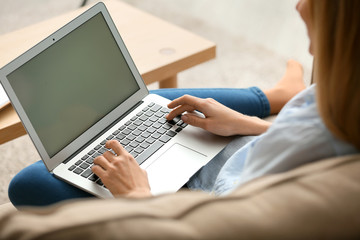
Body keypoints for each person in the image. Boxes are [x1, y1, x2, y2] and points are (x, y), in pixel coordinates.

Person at [8, 0, 360, 206]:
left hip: (199, 190)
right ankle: (271, 98)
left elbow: (215, 226)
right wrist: (248, 123)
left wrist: (137, 194)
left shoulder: (318, 149)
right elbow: (312, 135)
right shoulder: (346, 100)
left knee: (28, 183)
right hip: (241, 149)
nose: (299, 7)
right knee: (156, 103)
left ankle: (269, 97)